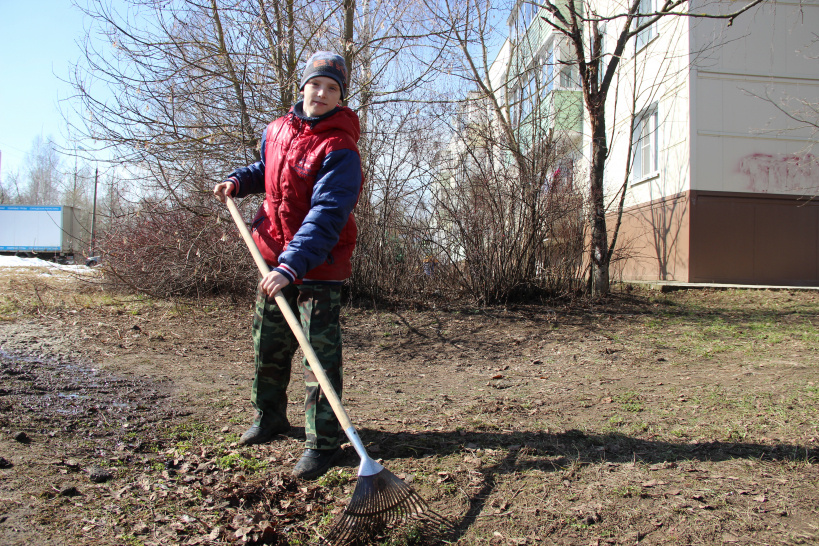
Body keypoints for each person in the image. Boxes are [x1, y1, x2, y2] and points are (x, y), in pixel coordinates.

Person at [214, 51, 363, 480]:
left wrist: (292, 265)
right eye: (316, 84)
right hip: (272, 257)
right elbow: (270, 169)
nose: (322, 93)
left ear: (341, 97)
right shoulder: (277, 129)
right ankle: (270, 417)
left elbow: (328, 215)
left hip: (317, 265)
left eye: (332, 88)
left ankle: (323, 442)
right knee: (270, 344)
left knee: (318, 356)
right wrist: (239, 181)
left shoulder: (340, 148)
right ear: (303, 87)